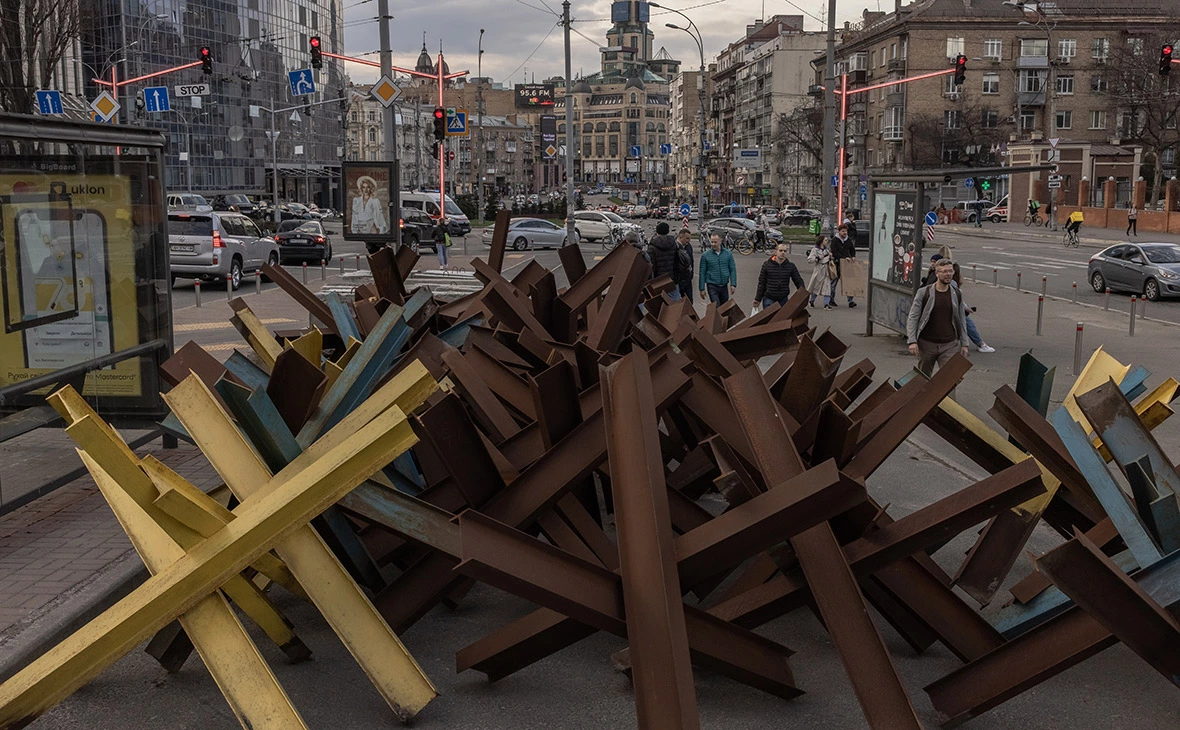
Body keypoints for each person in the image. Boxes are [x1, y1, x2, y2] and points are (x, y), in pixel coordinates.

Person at [906, 258, 969, 377]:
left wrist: (964, 343)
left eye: (950, 271)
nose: (948, 274)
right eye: (944, 271)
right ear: (937, 273)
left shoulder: (957, 293)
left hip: (949, 344)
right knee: (922, 379)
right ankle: (924, 396)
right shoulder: (924, 292)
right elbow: (913, 317)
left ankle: (949, 397)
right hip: (927, 344)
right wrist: (912, 341)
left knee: (949, 380)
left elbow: (961, 319)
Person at [754, 243, 805, 309]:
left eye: (785, 251)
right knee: (770, 319)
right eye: (780, 251)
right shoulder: (767, 265)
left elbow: (798, 281)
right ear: (776, 252)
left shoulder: (790, 266)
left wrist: (803, 294)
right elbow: (761, 283)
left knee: (782, 319)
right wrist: (758, 299)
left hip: (783, 299)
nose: (783, 253)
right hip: (769, 298)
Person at [698, 232, 737, 304]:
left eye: (715, 242)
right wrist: (702, 288)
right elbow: (702, 272)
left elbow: (732, 269)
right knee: (716, 305)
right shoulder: (705, 255)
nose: (713, 244)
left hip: (724, 285)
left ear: (720, 241)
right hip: (712, 285)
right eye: (712, 242)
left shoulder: (728, 254)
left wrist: (733, 284)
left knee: (724, 308)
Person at [828, 223, 858, 308]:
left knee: (849, 283)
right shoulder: (835, 240)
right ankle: (831, 299)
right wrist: (844, 258)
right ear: (839, 231)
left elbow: (852, 249)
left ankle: (850, 301)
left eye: (846, 231)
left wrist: (853, 256)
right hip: (837, 264)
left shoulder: (848, 240)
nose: (845, 233)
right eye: (843, 231)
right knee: (833, 283)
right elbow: (834, 252)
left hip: (847, 265)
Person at [648, 222, 680, 299]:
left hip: (658, 281)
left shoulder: (652, 246)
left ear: (657, 232)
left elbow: (651, 266)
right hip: (672, 279)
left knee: (659, 305)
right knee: (674, 305)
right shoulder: (674, 244)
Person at [806, 235, 834, 309]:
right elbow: (809, 260)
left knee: (827, 287)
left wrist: (830, 257)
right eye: (825, 240)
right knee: (816, 287)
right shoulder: (815, 250)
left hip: (826, 270)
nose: (827, 242)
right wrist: (817, 258)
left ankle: (826, 304)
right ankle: (811, 301)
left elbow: (829, 259)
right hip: (819, 270)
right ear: (821, 241)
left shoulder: (826, 250)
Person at [674, 228, 695, 303]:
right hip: (678, 280)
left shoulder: (688, 247)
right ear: (680, 237)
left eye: (689, 238)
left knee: (689, 302)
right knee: (678, 303)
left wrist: (691, 274)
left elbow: (691, 261)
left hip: (687, 279)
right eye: (687, 238)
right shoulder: (674, 247)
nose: (688, 240)